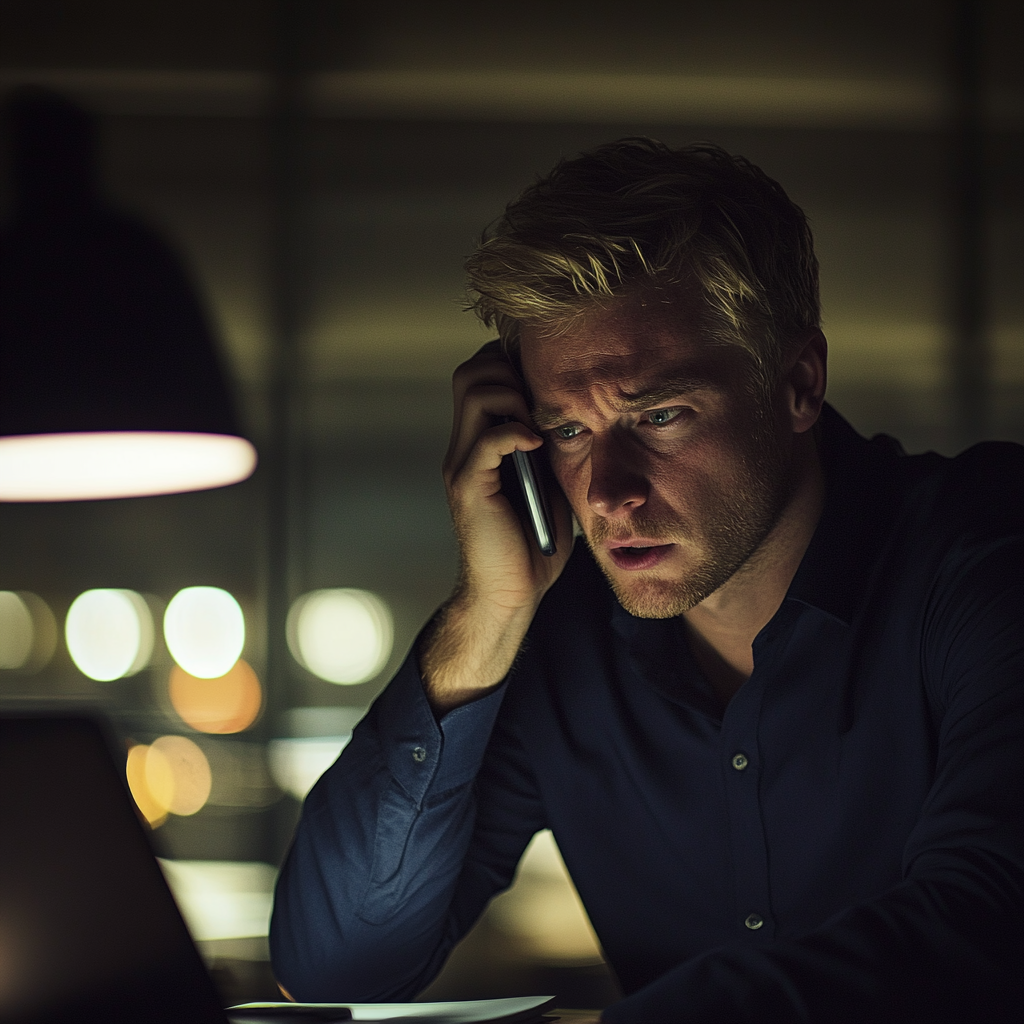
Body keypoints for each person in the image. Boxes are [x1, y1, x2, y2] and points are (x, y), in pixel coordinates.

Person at [270, 139, 1023, 1022]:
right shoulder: (561, 635)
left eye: (659, 415)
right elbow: (335, 968)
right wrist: (487, 611)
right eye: (569, 431)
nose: (609, 493)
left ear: (798, 384)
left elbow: (991, 927)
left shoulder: (987, 552)